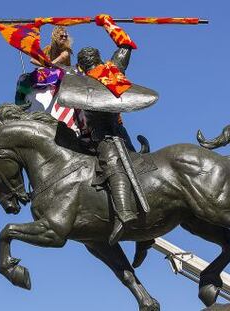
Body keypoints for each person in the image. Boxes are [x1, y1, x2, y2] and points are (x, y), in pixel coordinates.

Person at [75, 14, 141, 244]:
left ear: (81, 65)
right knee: (136, 166)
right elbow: (125, 44)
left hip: (105, 136)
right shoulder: (112, 69)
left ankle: (125, 214)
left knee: (113, 166)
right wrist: (107, 24)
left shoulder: (82, 83)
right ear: (99, 58)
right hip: (121, 131)